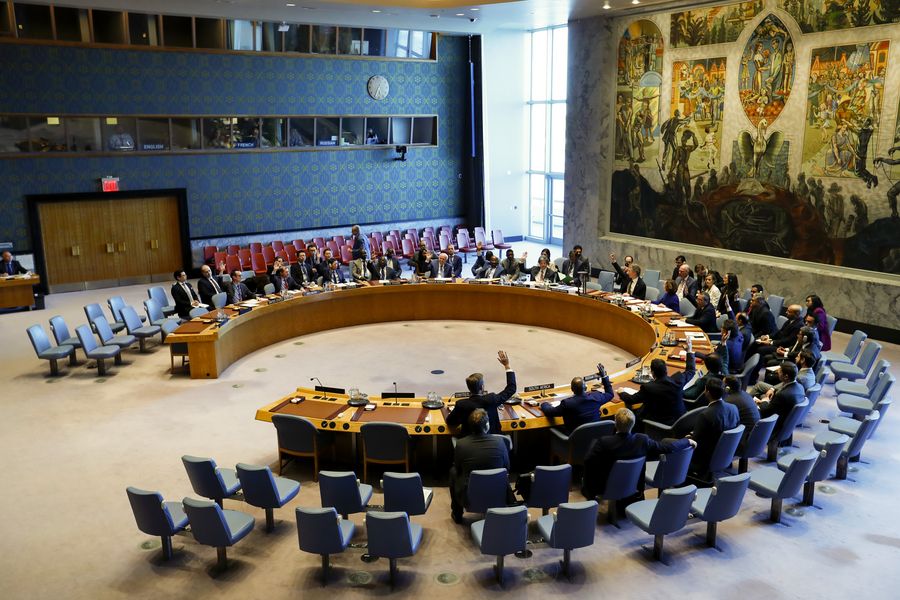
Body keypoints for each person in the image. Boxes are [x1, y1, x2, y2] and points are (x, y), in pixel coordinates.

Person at [582, 408, 695, 499]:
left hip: (607, 486)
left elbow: (588, 461)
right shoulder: (642, 440)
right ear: (633, 423)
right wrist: (687, 441)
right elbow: (668, 448)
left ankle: (589, 495)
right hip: (635, 485)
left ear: (615, 424)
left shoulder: (604, 442)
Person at [449, 409, 512, 523]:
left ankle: (457, 514)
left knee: (453, 472)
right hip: (497, 489)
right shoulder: (500, 441)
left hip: (470, 494)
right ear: (487, 425)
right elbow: (507, 467)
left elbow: (458, 468)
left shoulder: (461, 444)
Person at [619, 339, 696, 430]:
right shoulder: (678, 380)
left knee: (637, 414)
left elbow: (631, 400)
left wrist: (621, 392)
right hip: (681, 420)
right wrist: (689, 351)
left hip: (662, 424)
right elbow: (691, 370)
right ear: (666, 370)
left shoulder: (648, 387)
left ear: (652, 373)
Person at [446, 350, 516, 436]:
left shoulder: (461, 405)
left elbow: (450, 422)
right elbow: (511, 388)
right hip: (494, 440)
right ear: (482, 387)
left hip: (470, 443)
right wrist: (507, 366)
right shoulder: (492, 399)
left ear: (469, 388)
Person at [686, 378, 739, 478]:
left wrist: (688, 437)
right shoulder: (733, 408)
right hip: (726, 454)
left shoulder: (705, 415)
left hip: (705, 459)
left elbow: (695, 441)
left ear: (707, 392)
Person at [540, 363, 614, 434]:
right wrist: (604, 376)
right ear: (586, 388)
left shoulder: (567, 404)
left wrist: (544, 404)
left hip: (574, 439)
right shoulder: (596, 397)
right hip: (595, 437)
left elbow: (549, 412)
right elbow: (610, 394)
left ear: (572, 389)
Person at [755, 361, 804, 440]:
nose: (777, 372)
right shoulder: (800, 387)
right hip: (785, 420)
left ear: (786, 376)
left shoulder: (782, 395)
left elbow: (765, 413)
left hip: (774, 425)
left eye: (780, 371)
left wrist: (765, 401)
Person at [723, 375, 759, 445]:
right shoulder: (746, 394)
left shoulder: (729, 401)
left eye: (723, 384)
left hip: (743, 438)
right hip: (756, 434)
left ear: (727, 387)